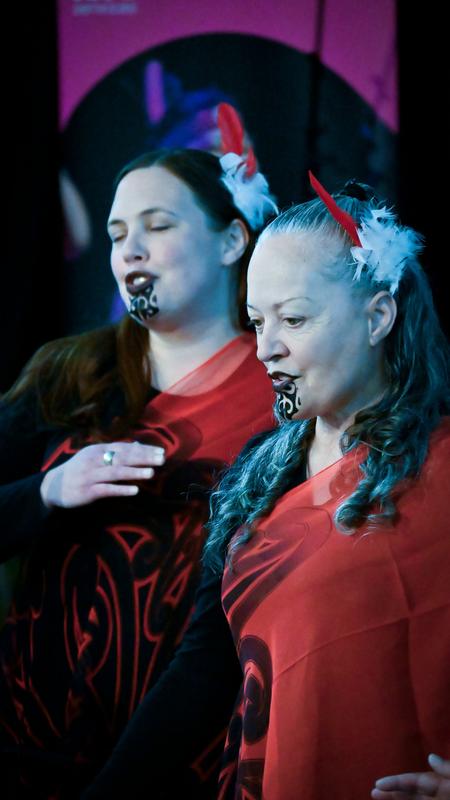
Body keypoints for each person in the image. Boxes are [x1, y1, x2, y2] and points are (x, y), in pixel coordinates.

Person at [82, 174, 450, 800]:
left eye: (295, 320)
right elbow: (205, 669)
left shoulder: (441, 468)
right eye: (256, 321)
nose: (267, 349)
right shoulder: (262, 472)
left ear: (378, 316)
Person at [0, 145, 278, 798]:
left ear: (231, 240)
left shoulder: (283, 390)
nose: (131, 250)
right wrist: (48, 490)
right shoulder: (67, 371)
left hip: (198, 750)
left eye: (158, 225)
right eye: (118, 234)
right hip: (31, 739)